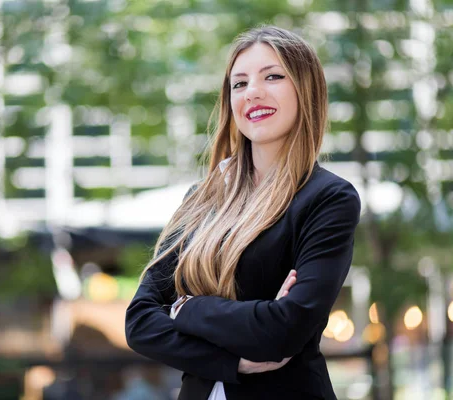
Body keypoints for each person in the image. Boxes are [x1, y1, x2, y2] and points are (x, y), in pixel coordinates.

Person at [125, 25, 361, 400]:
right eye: (239, 83)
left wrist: (186, 307)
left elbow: (283, 331)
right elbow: (139, 322)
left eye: (273, 76)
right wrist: (232, 361)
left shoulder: (328, 198)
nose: (252, 92)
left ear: (306, 90)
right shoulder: (201, 199)